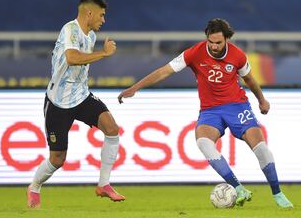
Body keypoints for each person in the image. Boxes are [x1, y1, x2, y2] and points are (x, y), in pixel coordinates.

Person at [118, 18, 293, 208]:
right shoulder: (194, 53)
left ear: (227, 39)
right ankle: (239, 188)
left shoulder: (238, 55)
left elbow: (250, 80)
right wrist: (134, 88)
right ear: (207, 38)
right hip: (210, 110)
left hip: (237, 106)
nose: (214, 46)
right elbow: (163, 72)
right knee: (203, 143)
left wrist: (262, 100)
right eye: (211, 42)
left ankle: (277, 193)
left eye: (218, 42)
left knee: (261, 149)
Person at [27, 0, 125, 209]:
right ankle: (34, 186)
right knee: (58, 159)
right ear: (89, 13)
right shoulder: (70, 29)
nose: (103, 20)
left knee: (111, 127)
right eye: (101, 15)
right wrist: (104, 54)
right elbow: (72, 58)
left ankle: (104, 184)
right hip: (58, 102)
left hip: (81, 96)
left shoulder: (90, 36)